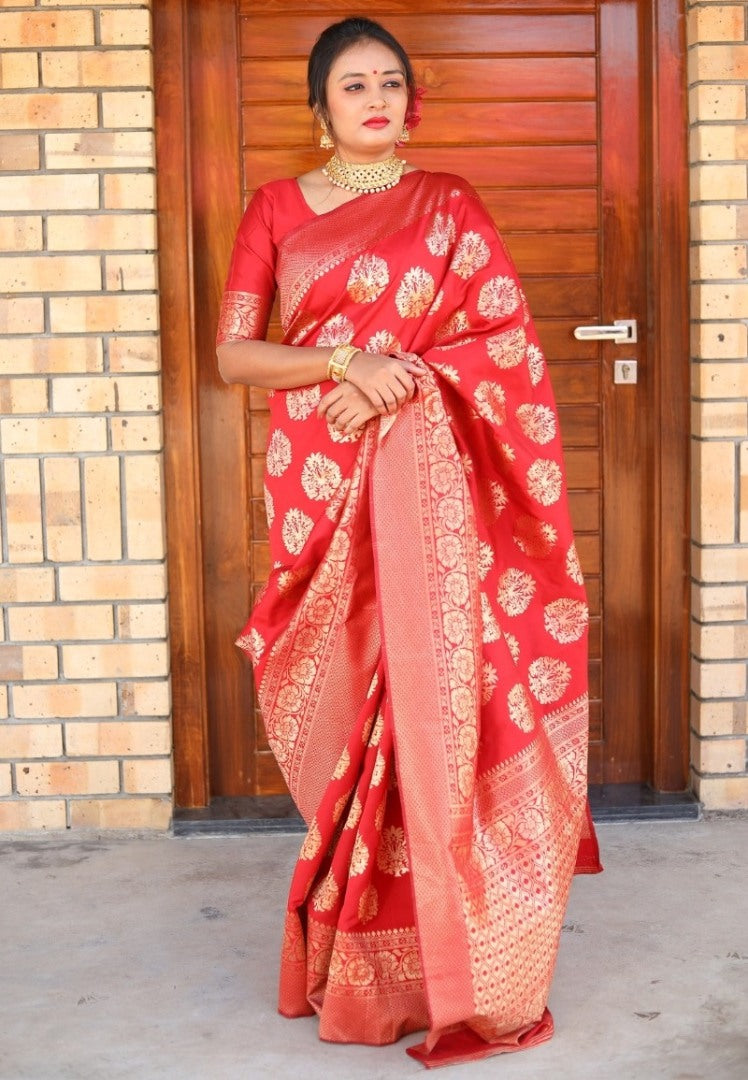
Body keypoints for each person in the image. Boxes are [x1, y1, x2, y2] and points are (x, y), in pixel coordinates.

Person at [216, 16, 602, 1069]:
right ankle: (360, 963)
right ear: (320, 106)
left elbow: (503, 341)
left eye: (390, 82)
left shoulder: (449, 205)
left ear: (408, 100)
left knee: (436, 704)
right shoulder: (277, 211)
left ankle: (459, 962)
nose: (376, 98)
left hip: (436, 502)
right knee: (350, 704)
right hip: (324, 491)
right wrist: (345, 366)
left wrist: (415, 374)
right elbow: (237, 356)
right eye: (353, 85)